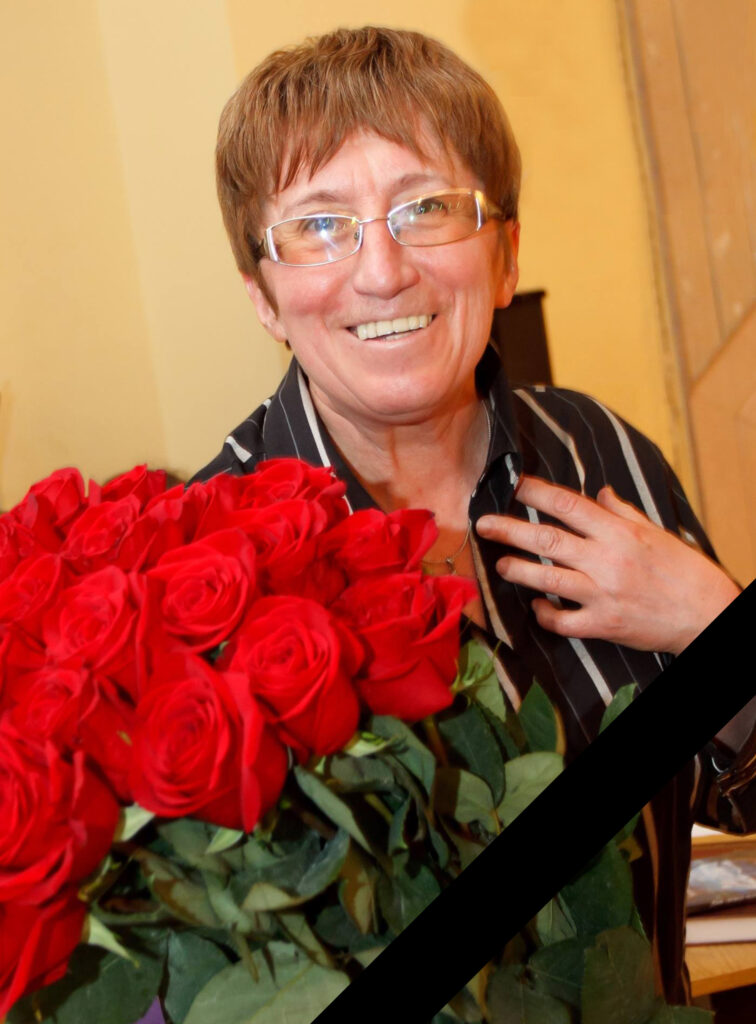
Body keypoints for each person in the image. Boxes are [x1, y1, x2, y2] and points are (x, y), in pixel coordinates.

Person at [193, 26, 755, 1003]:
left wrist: (714, 619)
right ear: (264, 297)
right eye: (321, 224)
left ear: (505, 257)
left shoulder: (602, 454)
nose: (382, 271)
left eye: (427, 208)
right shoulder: (200, 566)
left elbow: (733, 813)